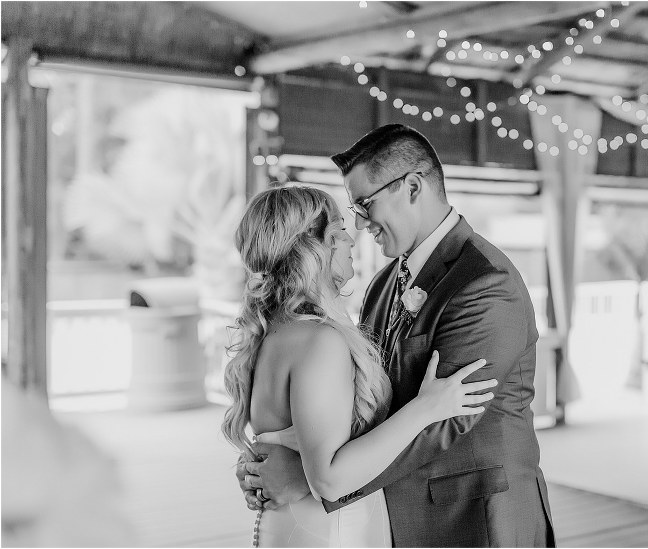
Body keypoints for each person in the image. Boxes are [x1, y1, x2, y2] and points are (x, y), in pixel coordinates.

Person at [238, 124, 556, 547]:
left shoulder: (485, 282)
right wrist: (296, 457)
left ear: (412, 187)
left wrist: (309, 476)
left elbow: (449, 420)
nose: (359, 223)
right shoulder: (382, 284)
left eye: (365, 204)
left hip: (473, 519)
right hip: (393, 519)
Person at [221, 185, 496, 547]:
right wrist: (426, 408)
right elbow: (328, 479)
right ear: (313, 248)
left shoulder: (277, 331)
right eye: (338, 229)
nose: (351, 238)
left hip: (299, 526)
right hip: (331, 532)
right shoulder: (319, 341)